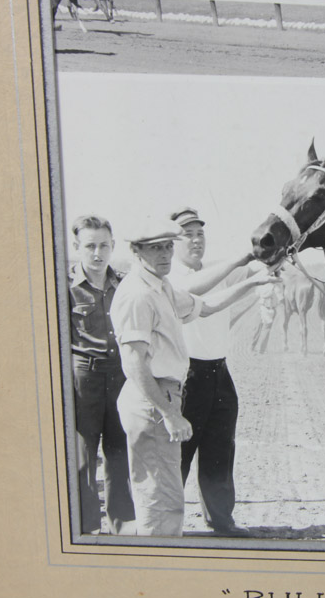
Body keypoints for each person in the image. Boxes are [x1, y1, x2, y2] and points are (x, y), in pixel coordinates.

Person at [110, 218, 275, 536]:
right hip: (152, 400)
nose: (164, 254)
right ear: (136, 251)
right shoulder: (138, 294)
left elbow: (206, 306)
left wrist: (253, 283)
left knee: (166, 498)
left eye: (167, 246)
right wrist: (169, 413)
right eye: (155, 248)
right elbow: (133, 362)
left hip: (162, 397)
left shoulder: (160, 287)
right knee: (160, 502)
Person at [169, 206, 259, 537]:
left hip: (220, 372)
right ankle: (168, 524)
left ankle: (221, 520)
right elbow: (196, 289)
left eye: (200, 234)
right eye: (187, 235)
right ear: (173, 242)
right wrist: (241, 261)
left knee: (220, 450)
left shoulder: (214, 271)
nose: (196, 240)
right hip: (187, 376)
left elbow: (251, 273)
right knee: (179, 453)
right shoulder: (171, 277)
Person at [68, 215, 134, 535]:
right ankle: (89, 526)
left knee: (120, 452)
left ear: (113, 246)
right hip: (85, 378)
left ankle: (123, 525)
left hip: (120, 376)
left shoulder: (124, 284)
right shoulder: (65, 289)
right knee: (84, 455)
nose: (97, 253)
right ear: (77, 247)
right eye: (90, 246)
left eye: (104, 246)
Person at [251, 271, 284, 355]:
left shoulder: (261, 285)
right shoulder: (276, 287)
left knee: (257, 329)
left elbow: (257, 294)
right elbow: (281, 299)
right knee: (266, 329)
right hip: (270, 309)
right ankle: (262, 350)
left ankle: (252, 347)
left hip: (261, 307)